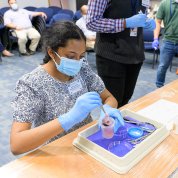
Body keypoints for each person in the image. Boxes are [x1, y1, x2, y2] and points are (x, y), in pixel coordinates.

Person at [11, 21, 124, 155]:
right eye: (71, 56)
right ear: (52, 53)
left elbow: (109, 98)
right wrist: (69, 118)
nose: (77, 61)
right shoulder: (32, 84)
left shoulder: (82, 68)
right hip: (57, 150)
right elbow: (17, 144)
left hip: (85, 141)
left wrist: (108, 111)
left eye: (81, 56)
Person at [86, 0, 156, 107]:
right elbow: (91, 23)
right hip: (111, 56)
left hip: (135, 55)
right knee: (113, 103)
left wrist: (147, 21)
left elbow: (139, 14)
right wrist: (124, 23)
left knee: (125, 100)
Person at [152, 0, 178, 88]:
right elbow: (158, 21)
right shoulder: (165, 3)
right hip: (168, 41)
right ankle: (158, 87)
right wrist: (155, 38)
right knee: (162, 66)